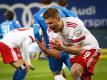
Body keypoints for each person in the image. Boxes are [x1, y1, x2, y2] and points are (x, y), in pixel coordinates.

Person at [41, 8, 100, 80]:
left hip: (89, 48)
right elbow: (58, 54)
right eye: (46, 24)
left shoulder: (74, 25)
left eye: (50, 23)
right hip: (71, 52)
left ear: (59, 19)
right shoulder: (50, 31)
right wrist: (46, 50)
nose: (49, 26)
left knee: (75, 70)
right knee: (81, 77)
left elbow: (79, 51)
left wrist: (62, 48)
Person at [33, 0, 78, 79]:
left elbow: (36, 32)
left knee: (57, 74)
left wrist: (44, 49)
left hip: (52, 48)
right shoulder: (60, 9)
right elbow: (75, 22)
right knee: (76, 72)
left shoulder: (37, 16)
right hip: (68, 46)